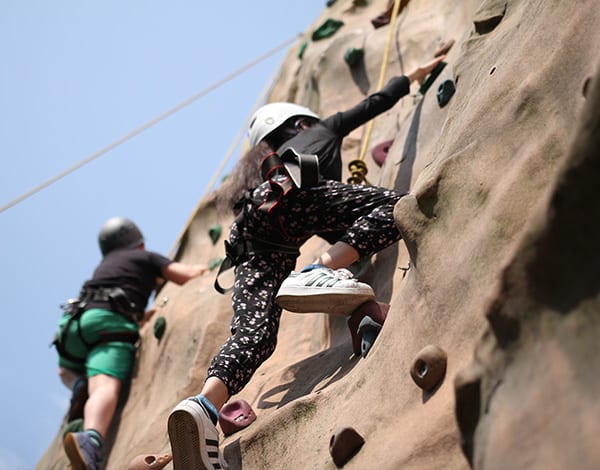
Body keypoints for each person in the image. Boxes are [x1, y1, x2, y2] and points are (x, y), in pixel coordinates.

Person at [167, 55, 446, 470]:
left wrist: (347, 245)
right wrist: (419, 72)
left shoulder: (260, 171)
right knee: (395, 207)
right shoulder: (317, 130)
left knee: (255, 333)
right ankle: (320, 270)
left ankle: (204, 406)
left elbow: (333, 225)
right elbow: (375, 102)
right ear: (299, 124)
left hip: (254, 237)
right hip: (297, 196)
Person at [54, 216, 208, 470]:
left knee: (66, 371)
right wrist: (203, 269)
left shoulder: (104, 265)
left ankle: (79, 382)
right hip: (109, 325)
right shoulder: (145, 258)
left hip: (72, 327)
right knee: (104, 385)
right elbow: (183, 275)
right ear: (137, 243)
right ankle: (90, 442)